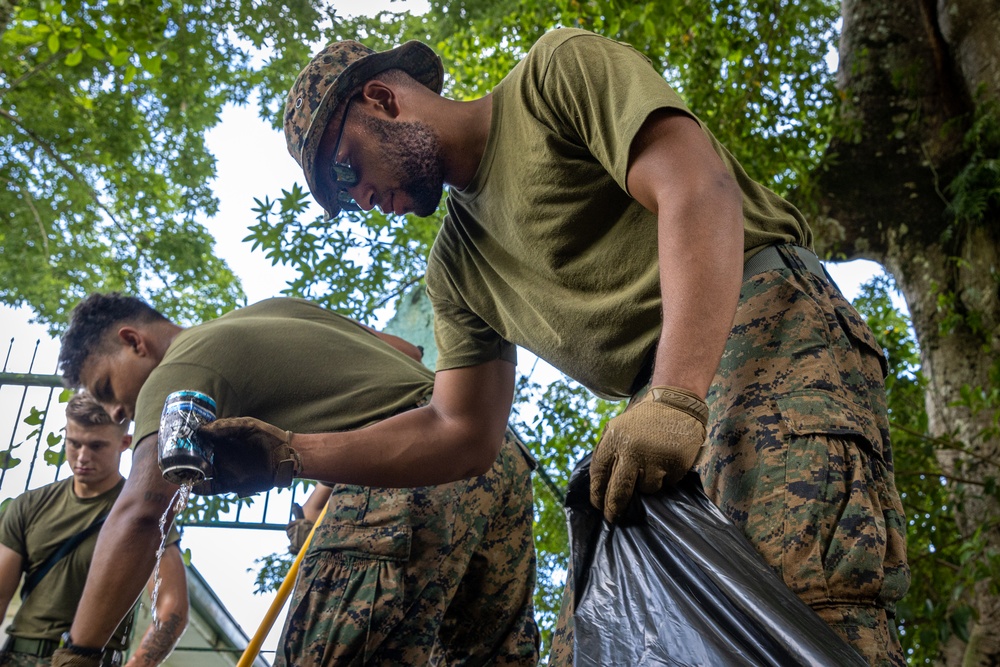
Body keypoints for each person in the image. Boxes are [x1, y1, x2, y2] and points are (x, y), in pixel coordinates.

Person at [203, 28, 909, 665]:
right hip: (652, 407)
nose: (359, 200)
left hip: (766, 329)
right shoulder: (456, 266)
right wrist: (293, 451)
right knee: (624, 643)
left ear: (383, 98)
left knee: (807, 600)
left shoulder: (553, 77)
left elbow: (695, 185)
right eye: (340, 195)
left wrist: (674, 396)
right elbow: (459, 430)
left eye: (345, 171)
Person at [53, 293, 538, 667]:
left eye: (106, 389)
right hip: (487, 454)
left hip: (411, 481)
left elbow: (141, 511)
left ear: (133, 341)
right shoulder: (276, 310)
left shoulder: (178, 368)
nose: (116, 412)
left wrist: (79, 653)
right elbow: (401, 354)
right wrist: (319, 496)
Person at [0, 392, 187, 667]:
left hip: (93, 659)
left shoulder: (143, 513)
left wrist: (138, 663)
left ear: (125, 443)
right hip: (19, 656)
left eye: (96, 446)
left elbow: (172, 606)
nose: (82, 456)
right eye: (74, 444)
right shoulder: (28, 505)